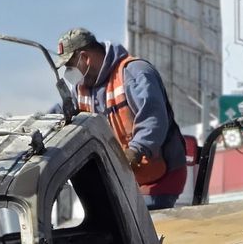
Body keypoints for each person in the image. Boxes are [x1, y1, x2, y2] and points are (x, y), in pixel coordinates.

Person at [55, 28, 189, 210]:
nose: (69, 72)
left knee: (147, 229)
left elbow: (153, 119)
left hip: (159, 178)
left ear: (85, 58)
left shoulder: (134, 73)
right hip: (125, 178)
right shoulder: (81, 89)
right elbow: (65, 114)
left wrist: (135, 151)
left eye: (70, 66)